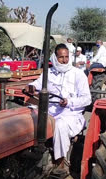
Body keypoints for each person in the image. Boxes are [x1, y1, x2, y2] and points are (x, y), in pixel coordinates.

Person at [25, 44, 91, 172]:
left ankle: (60, 163)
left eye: (67, 57)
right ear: (55, 57)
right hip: (49, 111)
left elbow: (87, 99)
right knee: (28, 118)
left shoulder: (78, 74)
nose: (65, 60)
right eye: (61, 57)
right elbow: (36, 84)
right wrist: (30, 87)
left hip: (70, 114)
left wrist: (69, 102)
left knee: (60, 125)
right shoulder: (48, 73)